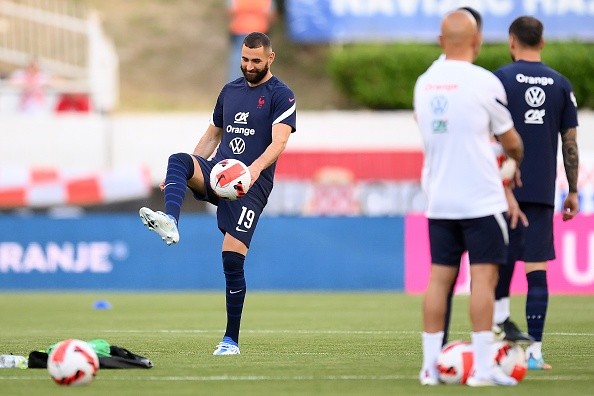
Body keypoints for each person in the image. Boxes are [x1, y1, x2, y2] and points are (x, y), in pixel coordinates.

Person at [139, 32, 296, 355]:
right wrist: (189, 171)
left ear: (270, 58)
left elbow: (279, 142)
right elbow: (213, 135)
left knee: (231, 258)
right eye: (244, 59)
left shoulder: (282, 95)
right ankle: (170, 220)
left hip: (251, 186)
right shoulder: (230, 91)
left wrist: (253, 172)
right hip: (220, 172)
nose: (249, 66)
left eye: (255, 60)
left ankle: (230, 340)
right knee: (178, 161)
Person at [414, 10, 524, 386]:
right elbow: (511, 142)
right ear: (477, 43)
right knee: (483, 281)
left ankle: (429, 368)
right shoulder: (484, 82)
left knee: (438, 281)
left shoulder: (424, 84)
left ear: (441, 42)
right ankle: (482, 369)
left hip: (440, 199)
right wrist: (514, 159)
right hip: (480, 199)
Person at [491, 16, 580, 370]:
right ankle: (535, 352)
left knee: (498, 266)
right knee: (536, 269)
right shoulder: (560, 84)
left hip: (502, 188)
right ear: (541, 42)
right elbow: (569, 143)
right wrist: (572, 190)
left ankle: (495, 347)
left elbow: (489, 135)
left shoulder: (498, 79)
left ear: (512, 41)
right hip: (542, 189)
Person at [226, 0, 277, 82]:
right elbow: (271, 14)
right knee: (259, 60)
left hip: (239, 29)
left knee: (237, 58)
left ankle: (233, 85)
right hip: (260, 31)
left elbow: (230, 11)